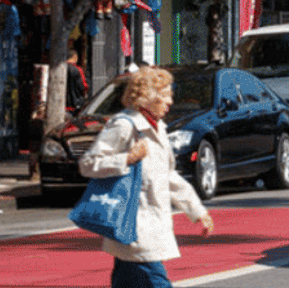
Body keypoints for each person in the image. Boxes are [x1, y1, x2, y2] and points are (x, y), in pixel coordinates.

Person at [79, 66, 213, 288]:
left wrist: (197, 211)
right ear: (148, 97)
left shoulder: (158, 128)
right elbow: (88, 164)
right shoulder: (124, 125)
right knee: (156, 281)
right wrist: (127, 158)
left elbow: (168, 176)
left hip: (148, 226)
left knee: (127, 280)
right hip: (134, 227)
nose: (170, 101)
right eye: (166, 95)